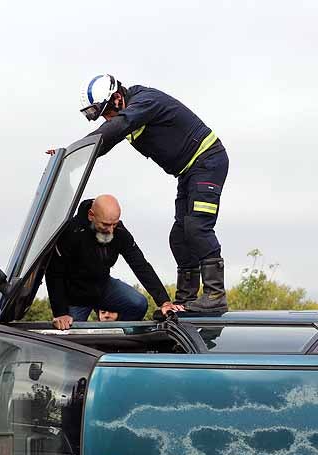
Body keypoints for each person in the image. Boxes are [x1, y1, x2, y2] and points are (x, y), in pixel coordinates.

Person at [76, 74, 230, 314]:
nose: (107, 120)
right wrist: (73, 155)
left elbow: (116, 127)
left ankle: (215, 295)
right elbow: (106, 140)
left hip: (207, 161)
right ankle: (186, 299)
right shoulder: (128, 113)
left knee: (197, 227)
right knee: (179, 236)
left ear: (117, 99)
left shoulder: (145, 101)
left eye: (106, 113)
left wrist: (81, 147)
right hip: (188, 172)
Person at [46, 195, 182, 330]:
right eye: (105, 224)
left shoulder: (119, 232)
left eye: (114, 224)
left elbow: (140, 264)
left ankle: (121, 341)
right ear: (91, 215)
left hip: (103, 286)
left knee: (138, 303)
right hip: (75, 295)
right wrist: (60, 313)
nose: (111, 229)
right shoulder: (71, 232)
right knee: (70, 334)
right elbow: (54, 273)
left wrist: (164, 301)